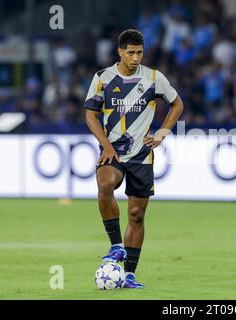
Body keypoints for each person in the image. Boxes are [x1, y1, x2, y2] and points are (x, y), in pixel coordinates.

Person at [84, 29, 184, 288]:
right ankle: (116, 246)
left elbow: (177, 104)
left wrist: (162, 132)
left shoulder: (153, 78)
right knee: (105, 183)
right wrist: (105, 145)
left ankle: (129, 274)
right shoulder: (103, 78)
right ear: (120, 52)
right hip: (113, 151)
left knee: (137, 214)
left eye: (139, 52)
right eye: (130, 53)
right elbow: (90, 115)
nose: (136, 58)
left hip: (141, 154)